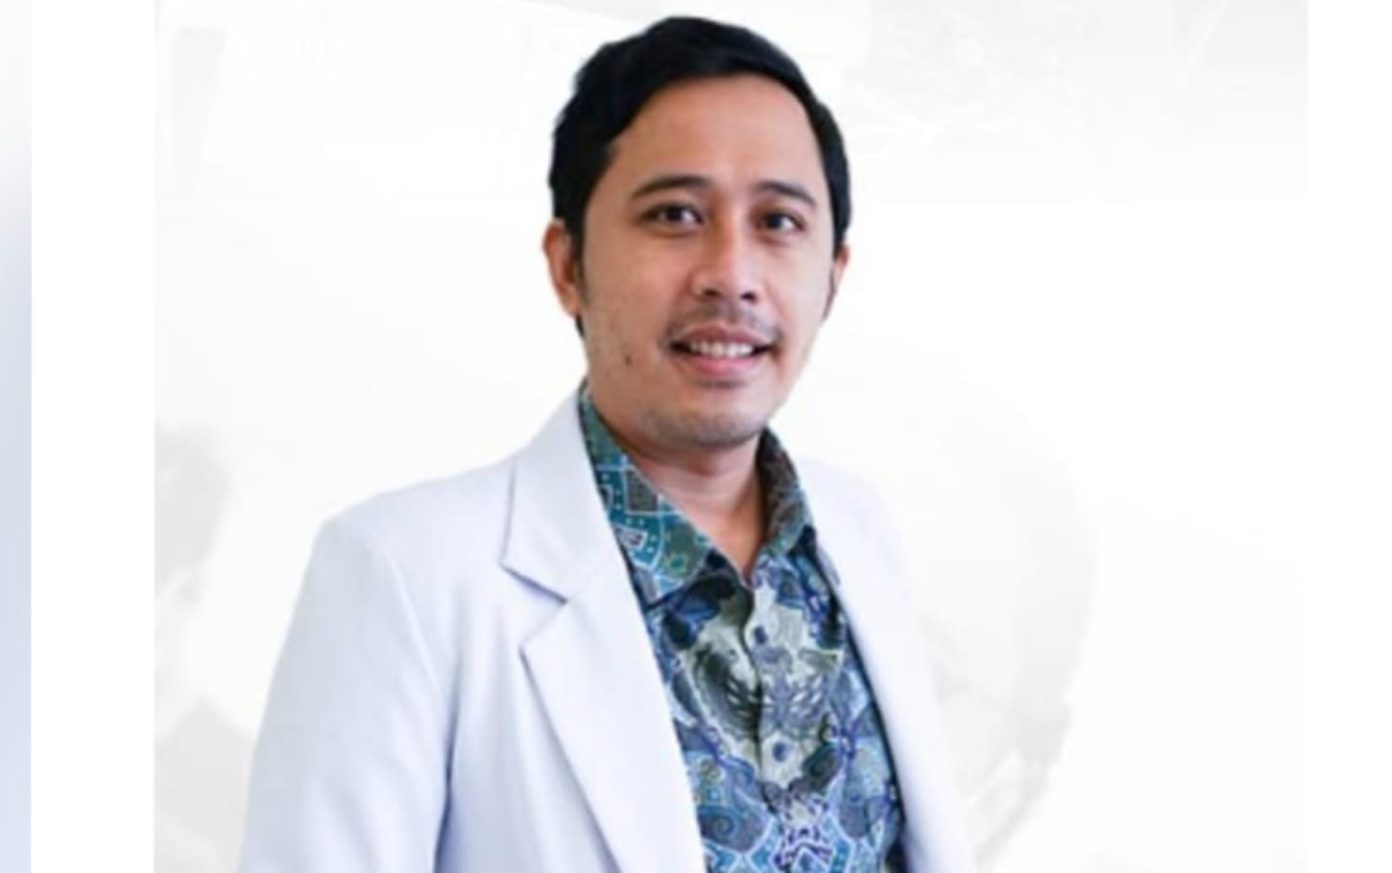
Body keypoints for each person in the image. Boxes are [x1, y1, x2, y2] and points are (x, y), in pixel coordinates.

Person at [239, 16, 973, 873]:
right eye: (676, 214)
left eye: (778, 221)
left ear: (833, 278)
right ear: (568, 265)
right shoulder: (405, 575)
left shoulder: (856, 528)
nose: (731, 274)